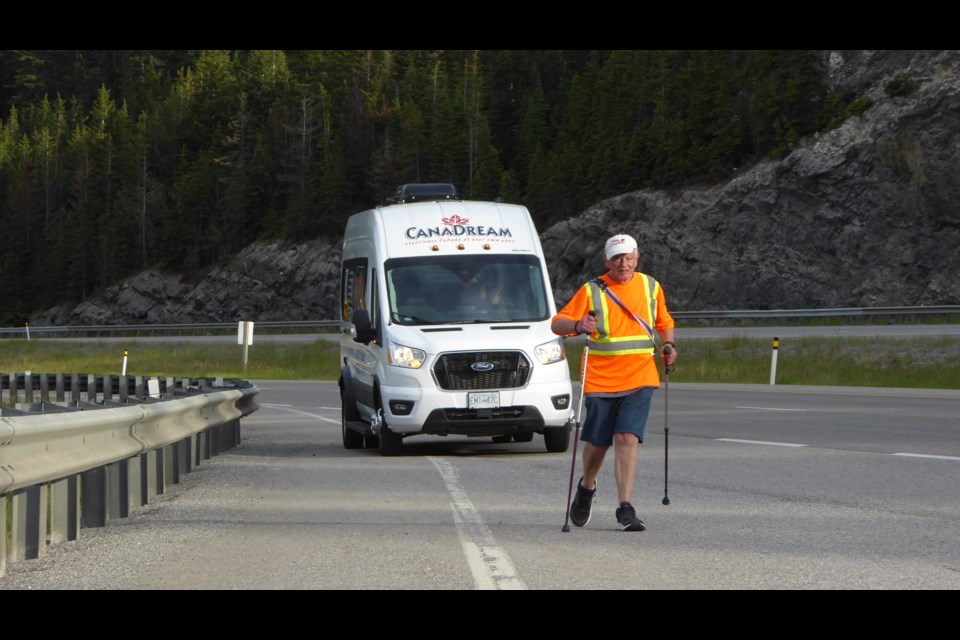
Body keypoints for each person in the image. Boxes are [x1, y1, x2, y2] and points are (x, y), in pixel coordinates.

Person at [551, 233, 677, 532]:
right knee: (598, 444)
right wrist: (578, 325)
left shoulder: (650, 286)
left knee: (626, 437)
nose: (624, 263)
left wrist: (669, 346)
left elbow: (664, 322)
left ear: (637, 257)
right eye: (617, 258)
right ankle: (587, 486)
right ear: (606, 261)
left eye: (628, 257)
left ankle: (625, 507)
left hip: (640, 376)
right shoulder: (592, 289)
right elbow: (557, 323)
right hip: (600, 379)